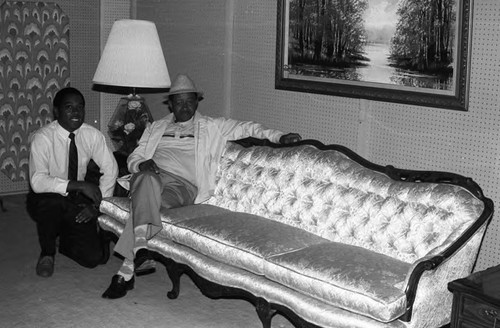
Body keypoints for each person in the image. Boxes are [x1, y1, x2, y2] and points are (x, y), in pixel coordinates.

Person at [102, 74, 301, 299]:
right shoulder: (156, 127)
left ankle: (131, 261)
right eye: (179, 101)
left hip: (182, 186)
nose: (185, 106)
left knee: (146, 204)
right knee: (145, 182)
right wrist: (140, 162)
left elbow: (249, 128)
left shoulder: (212, 126)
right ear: (171, 103)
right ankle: (132, 260)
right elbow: (134, 157)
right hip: (151, 176)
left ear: (197, 102)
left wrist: (280, 137)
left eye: (190, 101)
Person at [27, 87, 118, 277]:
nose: (76, 112)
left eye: (80, 107)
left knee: (94, 258)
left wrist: (97, 205)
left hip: (76, 200)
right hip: (47, 199)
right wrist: (79, 184)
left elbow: (111, 169)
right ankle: (47, 252)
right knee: (51, 202)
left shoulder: (92, 135)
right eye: (69, 107)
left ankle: (64, 238)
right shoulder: (43, 138)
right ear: (57, 111)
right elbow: (38, 181)